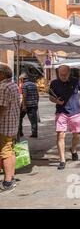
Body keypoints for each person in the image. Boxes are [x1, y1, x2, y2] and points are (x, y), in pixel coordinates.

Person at [49, 65, 80, 170]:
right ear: (58, 73)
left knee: (77, 135)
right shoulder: (54, 83)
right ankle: (62, 160)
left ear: (69, 73)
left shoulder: (76, 81)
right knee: (60, 135)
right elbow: (50, 96)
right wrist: (56, 101)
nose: (63, 76)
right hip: (61, 112)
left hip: (75, 112)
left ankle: (73, 149)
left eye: (65, 74)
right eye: (61, 74)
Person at [0, 63, 21, 192]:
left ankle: (7, 181)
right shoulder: (13, 85)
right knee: (10, 150)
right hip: (12, 124)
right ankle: (11, 177)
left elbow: (1, 108)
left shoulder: (3, 87)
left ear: (2, 74)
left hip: (4, 125)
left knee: (5, 152)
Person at [18, 74, 39, 138]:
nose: (20, 81)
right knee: (33, 120)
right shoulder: (34, 84)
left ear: (22, 79)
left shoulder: (24, 85)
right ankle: (34, 133)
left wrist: (24, 105)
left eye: (20, 79)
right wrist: (36, 102)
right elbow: (37, 95)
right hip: (34, 104)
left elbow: (24, 95)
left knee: (19, 118)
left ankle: (20, 132)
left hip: (27, 105)